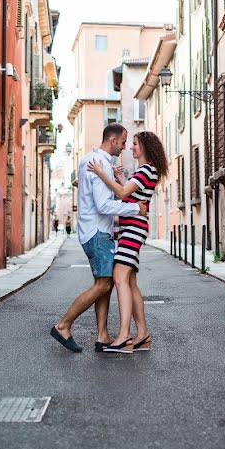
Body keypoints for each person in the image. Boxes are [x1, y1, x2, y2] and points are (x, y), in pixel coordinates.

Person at [50, 124, 148, 353]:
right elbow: (104, 206)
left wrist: (118, 179)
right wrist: (136, 209)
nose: (125, 147)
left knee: (104, 282)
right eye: (123, 142)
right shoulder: (100, 163)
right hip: (97, 232)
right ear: (113, 141)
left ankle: (102, 335)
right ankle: (63, 325)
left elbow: (104, 198)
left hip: (94, 230)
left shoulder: (92, 160)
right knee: (104, 283)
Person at [87, 131, 166, 354]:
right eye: (130, 143)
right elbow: (128, 195)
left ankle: (124, 337)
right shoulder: (145, 171)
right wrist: (120, 178)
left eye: (135, 144)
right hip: (132, 229)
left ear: (146, 148)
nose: (131, 147)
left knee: (119, 277)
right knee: (130, 282)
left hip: (132, 230)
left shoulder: (145, 170)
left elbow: (121, 193)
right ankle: (143, 335)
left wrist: (102, 173)